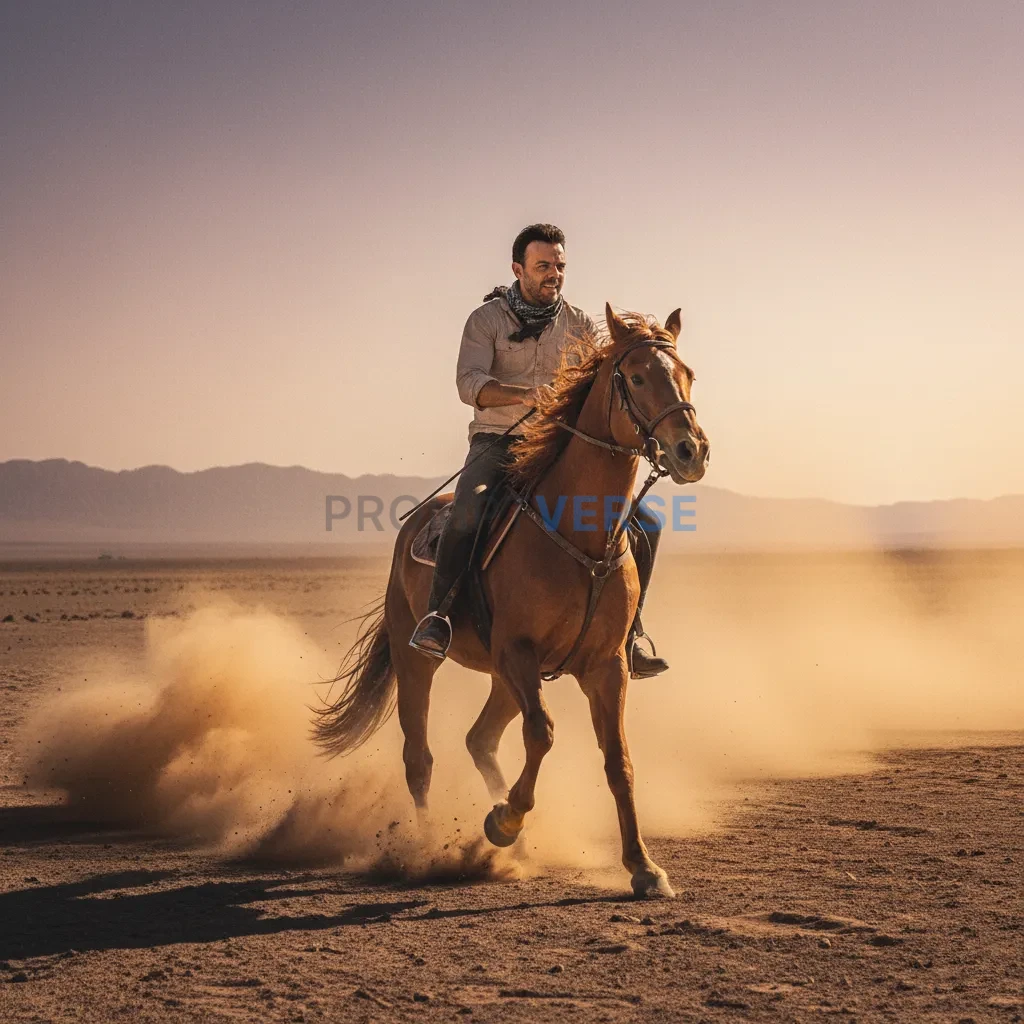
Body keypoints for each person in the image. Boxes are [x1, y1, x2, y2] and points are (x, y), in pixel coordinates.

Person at [408, 223, 668, 678]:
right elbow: (468, 384)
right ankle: (439, 617)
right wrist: (522, 396)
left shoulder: (581, 324)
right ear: (518, 268)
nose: (554, 274)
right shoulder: (485, 321)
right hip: (498, 442)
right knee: (469, 509)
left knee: (647, 521)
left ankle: (630, 633)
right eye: (543, 265)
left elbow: (611, 381)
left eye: (560, 266)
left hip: (560, 446)